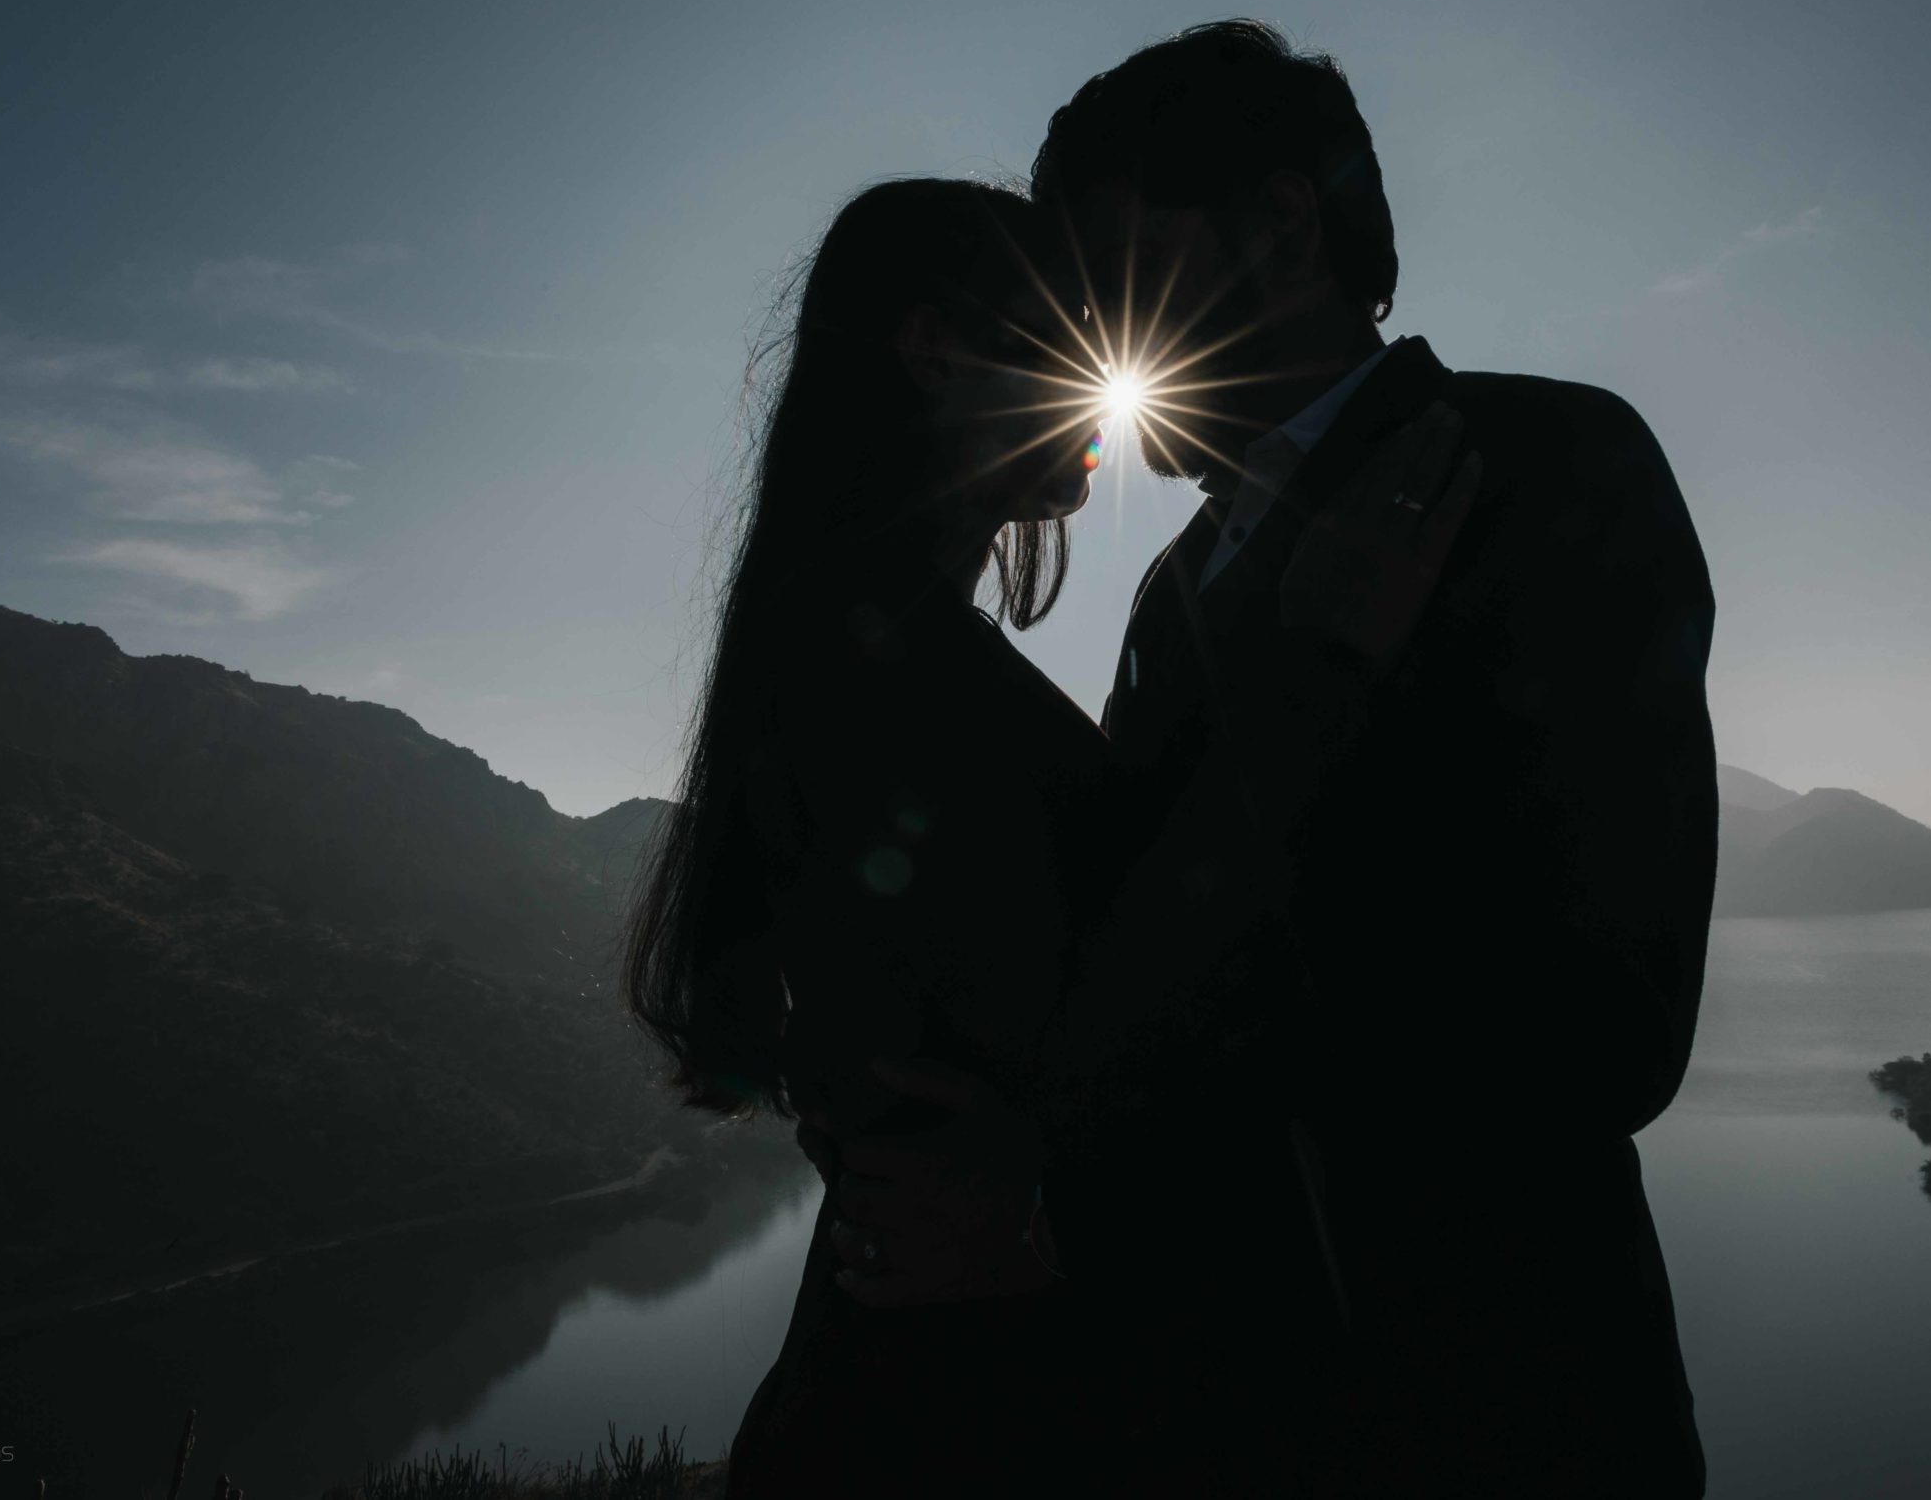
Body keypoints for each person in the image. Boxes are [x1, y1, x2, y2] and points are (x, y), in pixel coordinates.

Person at [808, 22, 1720, 1497]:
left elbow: (1604, 1027)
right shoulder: (1172, 593)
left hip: (1501, 1424)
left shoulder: (1548, 470)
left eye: (1104, 259)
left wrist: (1051, 1171)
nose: (1081, 318)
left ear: (1281, 225)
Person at [621, 174, 1483, 1497]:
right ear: (937, 351)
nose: (1110, 366)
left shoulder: (864, 645)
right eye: (1066, 328)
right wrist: (1322, 664)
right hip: (955, 1419)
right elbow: (1113, 1027)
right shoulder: (886, 673)